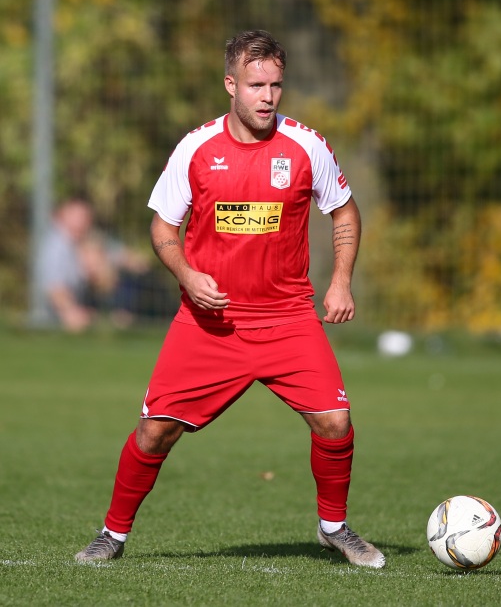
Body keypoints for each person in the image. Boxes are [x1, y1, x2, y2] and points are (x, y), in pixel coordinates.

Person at [74, 30, 385, 568]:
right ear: (230, 85)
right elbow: (163, 230)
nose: (268, 96)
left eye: (276, 85)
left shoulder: (307, 145)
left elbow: (346, 213)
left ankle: (334, 528)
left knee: (335, 421)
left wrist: (340, 282)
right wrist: (188, 274)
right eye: (256, 84)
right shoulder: (195, 149)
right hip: (209, 324)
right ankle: (111, 535)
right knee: (154, 433)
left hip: (288, 319)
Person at [36, 198, 96, 332]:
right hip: (56, 316)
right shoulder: (56, 246)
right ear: (62, 216)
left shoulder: (82, 241)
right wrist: (70, 312)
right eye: (77, 216)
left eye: (85, 217)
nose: (81, 221)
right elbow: (54, 286)